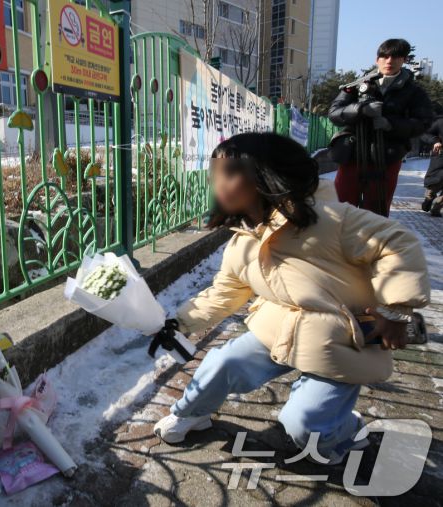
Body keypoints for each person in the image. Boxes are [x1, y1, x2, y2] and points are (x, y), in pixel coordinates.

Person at [153, 133, 430, 464]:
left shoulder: (332, 219)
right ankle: (191, 413)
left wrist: (396, 310)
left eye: (229, 172)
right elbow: (225, 291)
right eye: (215, 174)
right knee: (220, 363)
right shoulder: (243, 241)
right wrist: (180, 321)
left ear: (264, 173)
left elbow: (397, 243)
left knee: (305, 427)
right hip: (278, 328)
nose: (217, 183)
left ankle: (340, 431)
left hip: (340, 342)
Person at [328, 38, 433, 216]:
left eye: (396, 57)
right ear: (377, 59)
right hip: (353, 153)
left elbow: (423, 123)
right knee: (340, 208)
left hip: (387, 158)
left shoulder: (414, 92)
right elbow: (334, 113)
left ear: (404, 60)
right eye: (384, 56)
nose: (389, 61)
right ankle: (340, 243)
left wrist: (390, 124)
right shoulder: (357, 85)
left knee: (375, 212)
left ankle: (371, 244)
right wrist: (359, 109)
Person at [421, 112, 443, 216]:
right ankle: (429, 196)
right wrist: (435, 141)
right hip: (440, 158)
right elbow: (425, 133)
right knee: (436, 182)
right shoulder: (440, 122)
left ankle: (437, 207)